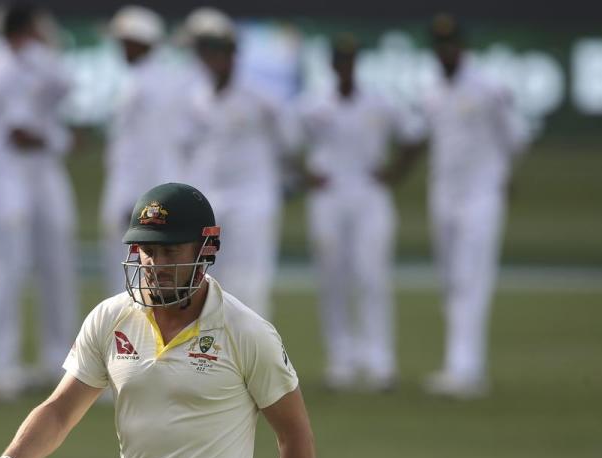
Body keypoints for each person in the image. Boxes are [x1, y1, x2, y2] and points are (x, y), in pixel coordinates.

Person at [0, 183, 317, 458]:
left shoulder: (246, 331)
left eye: (170, 251)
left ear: (206, 250)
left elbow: (293, 432)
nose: (155, 264)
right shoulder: (110, 318)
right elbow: (61, 411)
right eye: (147, 249)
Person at [294, 34, 422, 391]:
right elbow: (285, 140)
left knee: (372, 275)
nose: (345, 67)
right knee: (332, 277)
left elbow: (414, 134)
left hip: (370, 193)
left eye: (350, 60)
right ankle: (341, 362)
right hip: (329, 195)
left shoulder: (380, 103)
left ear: (356, 64)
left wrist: (396, 172)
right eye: (339, 61)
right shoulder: (313, 104)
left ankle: (379, 362)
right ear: (333, 65)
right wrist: (303, 174)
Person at [0, 3, 78, 398]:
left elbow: (65, 84)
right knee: (5, 271)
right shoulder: (1, 70)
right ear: (26, 31)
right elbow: (20, 132)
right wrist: (64, 140)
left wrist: (46, 46)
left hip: (34, 175)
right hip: (5, 179)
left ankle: (58, 360)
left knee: (56, 267)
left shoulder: (28, 65)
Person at [421, 15, 529, 398]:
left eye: (450, 44)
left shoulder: (489, 87)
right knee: (450, 280)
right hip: (444, 195)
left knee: (472, 279)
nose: (444, 51)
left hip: (481, 195)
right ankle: (459, 364)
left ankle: (467, 369)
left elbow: (516, 137)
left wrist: (502, 174)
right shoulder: (432, 89)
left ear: (462, 47)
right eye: (438, 45)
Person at [178, 8, 291, 318]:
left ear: (230, 52)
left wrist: (287, 180)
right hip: (210, 200)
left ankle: (254, 361)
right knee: (209, 283)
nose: (208, 59)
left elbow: (288, 143)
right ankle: (214, 361)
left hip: (252, 198)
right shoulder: (195, 98)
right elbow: (186, 150)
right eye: (202, 51)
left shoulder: (261, 98)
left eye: (214, 51)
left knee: (251, 282)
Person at [99, 5, 184, 294]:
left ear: (141, 42)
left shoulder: (144, 85)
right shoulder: (161, 79)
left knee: (129, 275)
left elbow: (147, 148)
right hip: (143, 190)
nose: (121, 48)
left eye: (125, 42)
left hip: (135, 193)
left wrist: (136, 200)